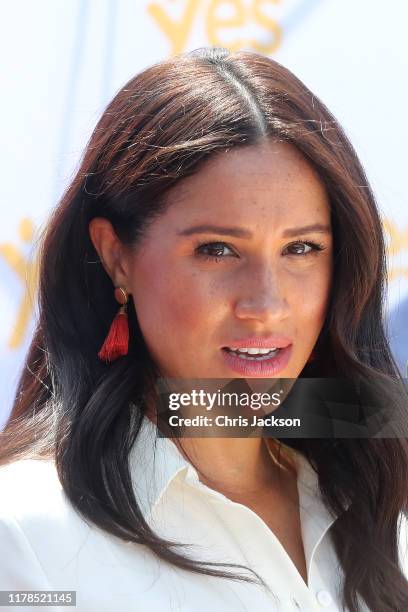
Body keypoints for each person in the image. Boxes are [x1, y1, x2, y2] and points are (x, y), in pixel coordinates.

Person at [0, 46, 407, 612]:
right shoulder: (25, 534)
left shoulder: (379, 504)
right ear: (116, 257)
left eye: (302, 248)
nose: (265, 305)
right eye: (217, 250)